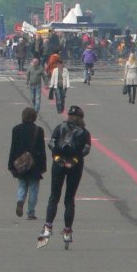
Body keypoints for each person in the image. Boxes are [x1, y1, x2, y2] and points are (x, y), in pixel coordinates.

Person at [38, 105, 91, 247]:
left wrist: (58, 158)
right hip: (75, 165)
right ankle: (67, 231)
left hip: (58, 164)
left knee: (54, 196)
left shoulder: (59, 128)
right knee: (69, 199)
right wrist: (73, 160)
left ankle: (48, 227)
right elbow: (86, 150)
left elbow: (51, 144)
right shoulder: (84, 132)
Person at [8, 107, 47, 220]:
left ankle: (20, 200)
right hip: (34, 163)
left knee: (22, 185)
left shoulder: (16, 129)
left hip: (20, 163)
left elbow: (13, 148)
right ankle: (31, 212)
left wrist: (11, 164)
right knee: (34, 188)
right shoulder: (38, 130)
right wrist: (43, 166)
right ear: (34, 117)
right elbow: (42, 149)